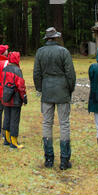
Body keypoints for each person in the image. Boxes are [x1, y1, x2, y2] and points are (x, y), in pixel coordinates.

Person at [33, 27, 76, 170]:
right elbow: (70, 73)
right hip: (62, 90)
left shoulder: (40, 52)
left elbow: (36, 73)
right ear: (56, 37)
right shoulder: (63, 52)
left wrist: (40, 88)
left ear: (47, 38)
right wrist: (69, 88)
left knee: (47, 123)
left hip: (47, 90)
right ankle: (64, 159)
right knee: (64, 123)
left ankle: (49, 158)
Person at [1, 51, 27, 149]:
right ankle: (14, 142)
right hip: (15, 99)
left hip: (6, 97)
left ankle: (6, 140)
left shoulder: (5, 69)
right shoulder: (17, 70)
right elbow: (21, 86)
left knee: (7, 118)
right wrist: (24, 97)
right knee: (14, 120)